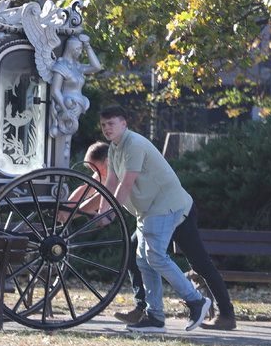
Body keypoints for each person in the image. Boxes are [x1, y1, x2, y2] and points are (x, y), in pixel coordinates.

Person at [80, 141, 237, 331]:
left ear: (106, 161)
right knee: (135, 254)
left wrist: (76, 211)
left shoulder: (123, 171)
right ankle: (143, 308)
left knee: (199, 263)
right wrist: (69, 210)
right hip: (151, 216)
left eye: (94, 168)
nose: (94, 175)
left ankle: (226, 315)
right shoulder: (109, 173)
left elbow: (101, 198)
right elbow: (89, 192)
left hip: (177, 214)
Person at [99, 105, 212, 333]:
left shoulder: (134, 144)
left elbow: (126, 183)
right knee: (143, 260)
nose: (106, 129)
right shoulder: (114, 148)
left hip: (165, 205)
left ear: (124, 124)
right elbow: (110, 182)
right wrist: (103, 211)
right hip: (148, 210)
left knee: (155, 256)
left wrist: (111, 214)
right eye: (103, 125)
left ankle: (196, 301)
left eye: (111, 124)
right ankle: (155, 317)